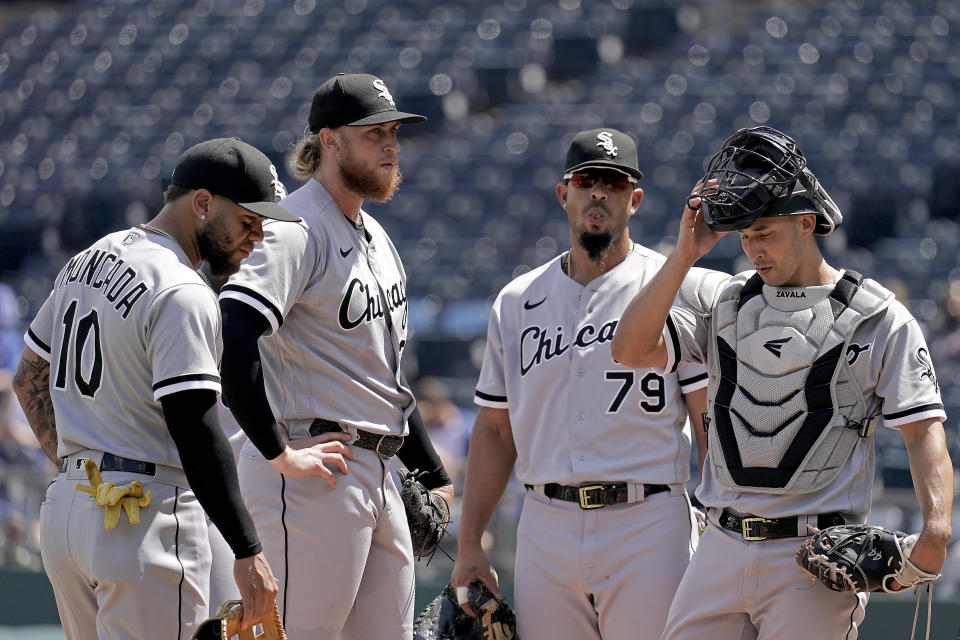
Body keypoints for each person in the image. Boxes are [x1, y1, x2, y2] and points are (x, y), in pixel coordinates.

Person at [610, 126, 954, 640]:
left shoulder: (878, 317)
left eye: (765, 232)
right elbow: (629, 350)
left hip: (814, 558)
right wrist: (684, 254)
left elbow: (924, 429)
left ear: (806, 223)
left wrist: (937, 528)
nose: (753, 250)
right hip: (720, 546)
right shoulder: (724, 303)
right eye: (746, 237)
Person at [11, 137, 296, 639]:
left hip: (69, 509)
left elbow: (28, 375)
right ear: (203, 203)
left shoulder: (91, 257)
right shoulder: (183, 292)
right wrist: (249, 551)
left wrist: (83, 472)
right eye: (248, 221)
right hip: (142, 515)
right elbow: (195, 428)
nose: (256, 238)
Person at [217, 72, 454, 638]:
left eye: (394, 131)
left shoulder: (377, 236)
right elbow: (232, 332)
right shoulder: (297, 227)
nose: (392, 144)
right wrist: (277, 452)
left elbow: (382, 377)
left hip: (379, 469)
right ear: (329, 140)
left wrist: (434, 474)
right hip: (312, 470)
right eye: (374, 132)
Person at [451, 128, 709, 640]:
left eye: (613, 183)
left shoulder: (675, 285)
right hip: (546, 521)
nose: (598, 193)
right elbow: (496, 431)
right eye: (586, 179)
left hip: (649, 518)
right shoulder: (517, 301)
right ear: (563, 193)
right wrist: (470, 543)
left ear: (633, 200)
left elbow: (706, 418)